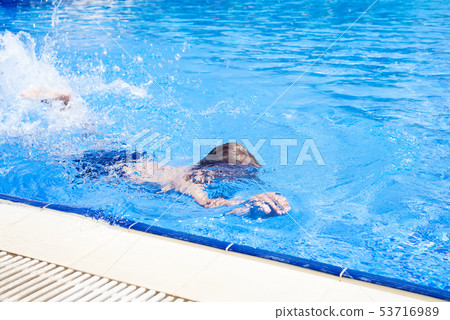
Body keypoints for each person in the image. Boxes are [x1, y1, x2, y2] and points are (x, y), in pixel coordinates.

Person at [20, 86, 291, 216]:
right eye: (240, 175)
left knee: (90, 137)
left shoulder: (192, 169)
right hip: (111, 170)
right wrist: (246, 204)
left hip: (134, 159)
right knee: (57, 151)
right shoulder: (189, 180)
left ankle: (68, 102)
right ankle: (64, 105)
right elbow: (207, 204)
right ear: (221, 170)